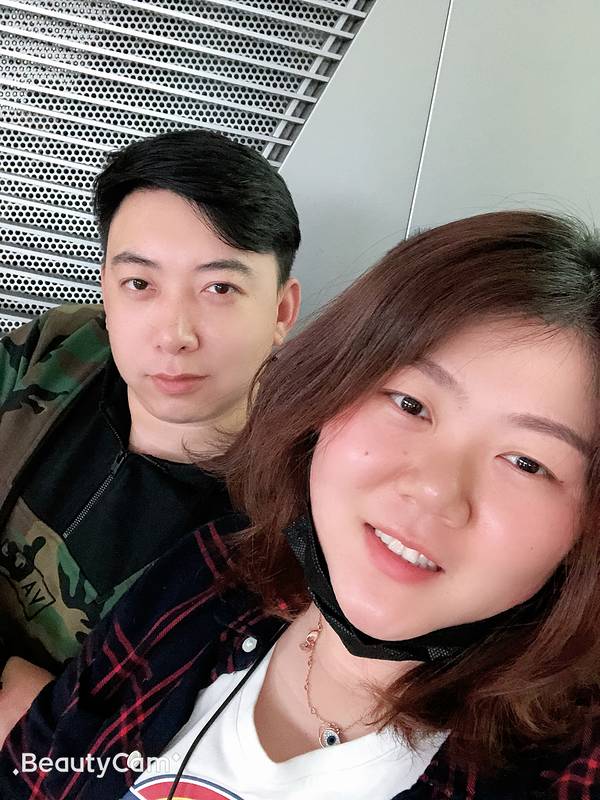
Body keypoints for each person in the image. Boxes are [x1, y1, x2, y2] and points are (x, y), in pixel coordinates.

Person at [2, 210, 600, 800]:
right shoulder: (214, 573)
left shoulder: (564, 769)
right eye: (410, 404)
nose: (435, 491)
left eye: (528, 462)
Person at [0, 129, 301, 739]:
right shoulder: (57, 350)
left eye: (220, 288)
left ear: (280, 313)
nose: (174, 335)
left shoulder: (295, 521)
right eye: (140, 284)